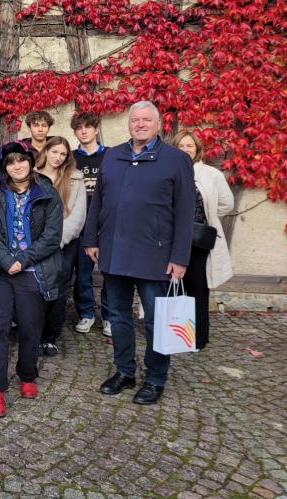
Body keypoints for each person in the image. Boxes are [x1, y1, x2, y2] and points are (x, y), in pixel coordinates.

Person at [83, 101, 195, 406]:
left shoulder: (176, 160)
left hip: (155, 256)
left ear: (159, 125)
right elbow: (97, 201)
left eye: (147, 120)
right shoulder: (113, 156)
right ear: (129, 124)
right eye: (135, 120)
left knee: (157, 321)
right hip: (114, 251)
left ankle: (155, 378)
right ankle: (125, 371)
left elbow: (186, 213)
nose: (140, 124)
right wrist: (91, 239)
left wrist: (180, 257)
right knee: (118, 315)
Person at [0, 142, 64, 417]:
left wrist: (23, 260)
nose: (17, 166)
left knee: (30, 328)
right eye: (11, 162)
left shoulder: (47, 192)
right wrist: (6, 260)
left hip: (32, 271)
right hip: (0, 271)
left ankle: (27, 375)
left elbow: (52, 236)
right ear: (5, 167)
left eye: (22, 160)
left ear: (30, 161)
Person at [175, 129, 234, 350]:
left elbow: (227, 204)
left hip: (198, 240)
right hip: (174, 239)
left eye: (189, 146)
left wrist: (206, 216)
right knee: (175, 285)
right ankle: (177, 335)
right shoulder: (170, 171)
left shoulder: (211, 174)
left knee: (198, 287)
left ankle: (197, 338)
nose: (185, 150)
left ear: (197, 149)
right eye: (181, 146)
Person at [36, 136, 87, 356]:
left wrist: (56, 241)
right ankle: (33, 333)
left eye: (63, 154)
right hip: (35, 244)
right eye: (54, 152)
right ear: (46, 151)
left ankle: (50, 336)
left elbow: (78, 216)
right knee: (35, 289)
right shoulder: (33, 176)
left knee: (58, 290)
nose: (57, 157)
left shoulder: (75, 178)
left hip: (63, 244)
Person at [70, 111, 110, 336]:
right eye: (79, 128)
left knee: (110, 271)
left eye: (88, 127)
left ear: (96, 129)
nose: (83, 131)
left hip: (106, 221)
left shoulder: (111, 156)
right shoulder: (71, 157)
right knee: (83, 271)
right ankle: (86, 313)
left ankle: (110, 315)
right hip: (81, 221)